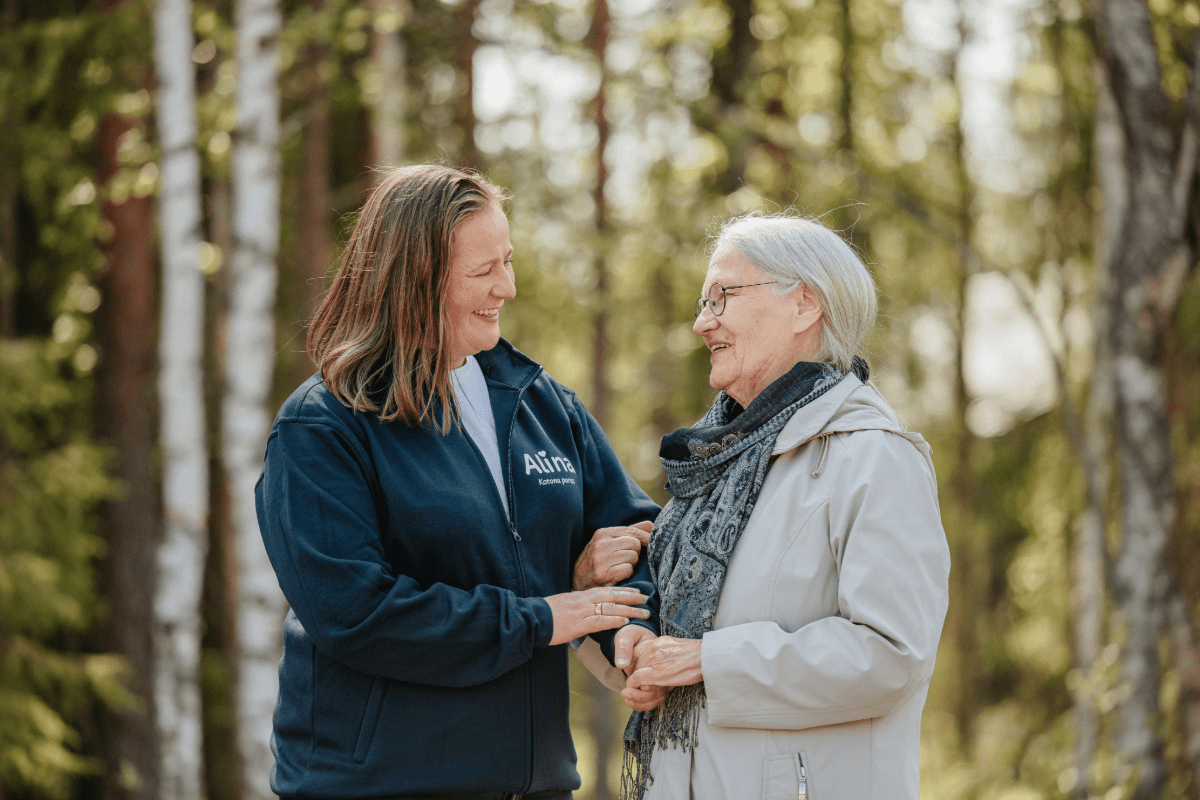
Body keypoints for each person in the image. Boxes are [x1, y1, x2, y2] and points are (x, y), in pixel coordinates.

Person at [255, 164, 661, 800]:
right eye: (483, 271)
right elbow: (356, 614)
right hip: (378, 785)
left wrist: (629, 630)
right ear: (412, 281)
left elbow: (632, 534)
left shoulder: (543, 405)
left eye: (508, 260)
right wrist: (539, 617)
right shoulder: (322, 427)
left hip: (536, 783)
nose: (509, 286)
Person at [616, 213, 951, 800]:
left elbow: (892, 654)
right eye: (702, 301)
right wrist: (648, 650)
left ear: (804, 305)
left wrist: (708, 661)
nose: (701, 322)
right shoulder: (710, 467)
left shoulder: (875, 459)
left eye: (722, 296)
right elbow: (689, 637)